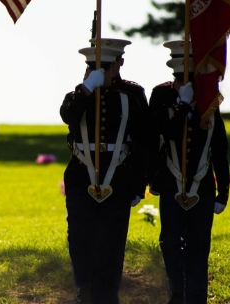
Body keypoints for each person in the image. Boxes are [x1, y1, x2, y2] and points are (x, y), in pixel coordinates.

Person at [60, 44, 149, 304]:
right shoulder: (76, 96)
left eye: (104, 68)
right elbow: (68, 116)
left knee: (112, 242)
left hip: (118, 178)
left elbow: (143, 143)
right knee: (79, 237)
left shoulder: (131, 96)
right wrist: (88, 88)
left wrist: (138, 184)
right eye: (91, 67)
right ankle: (84, 288)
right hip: (81, 178)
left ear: (116, 67)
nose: (98, 72)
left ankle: (108, 295)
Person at [148, 40, 230, 304]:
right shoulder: (162, 97)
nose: (182, 83)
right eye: (178, 78)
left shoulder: (208, 100)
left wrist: (224, 191)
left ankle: (196, 299)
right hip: (171, 184)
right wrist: (182, 105)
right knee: (170, 243)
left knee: (198, 248)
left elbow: (219, 148)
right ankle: (177, 294)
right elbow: (165, 133)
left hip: (202, 185)